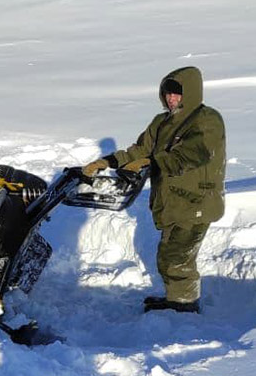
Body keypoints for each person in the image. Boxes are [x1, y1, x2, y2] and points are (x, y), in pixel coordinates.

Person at [83, 66, 226, 313]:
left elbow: (191, 153)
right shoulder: (162, 122)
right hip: (171, 201)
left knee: (176, 257)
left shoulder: (207, 120)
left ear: (190, 92)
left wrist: (153, 162)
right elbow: (140, 150)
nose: (171, 99)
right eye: (167, 93)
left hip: (197, 202)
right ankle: (178, 299)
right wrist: (107, 162)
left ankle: (184, 307)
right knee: (170, 253)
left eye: (177, 93)